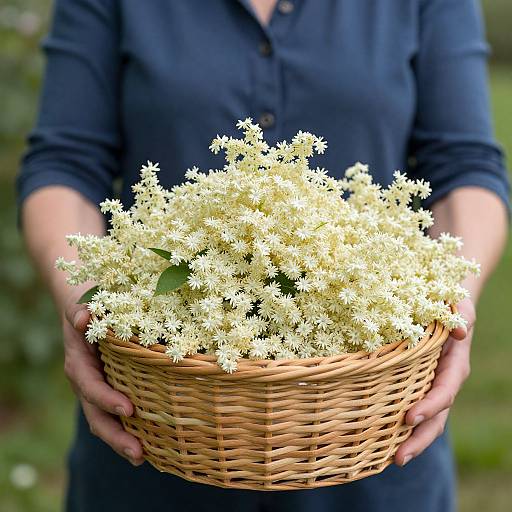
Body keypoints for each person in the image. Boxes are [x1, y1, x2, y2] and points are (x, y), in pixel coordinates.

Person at [17, 1, 509, 511]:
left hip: (373, 433)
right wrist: (79, 297)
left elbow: (465, 164)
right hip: (158, 422)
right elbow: (67, 162)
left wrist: (454, 298)